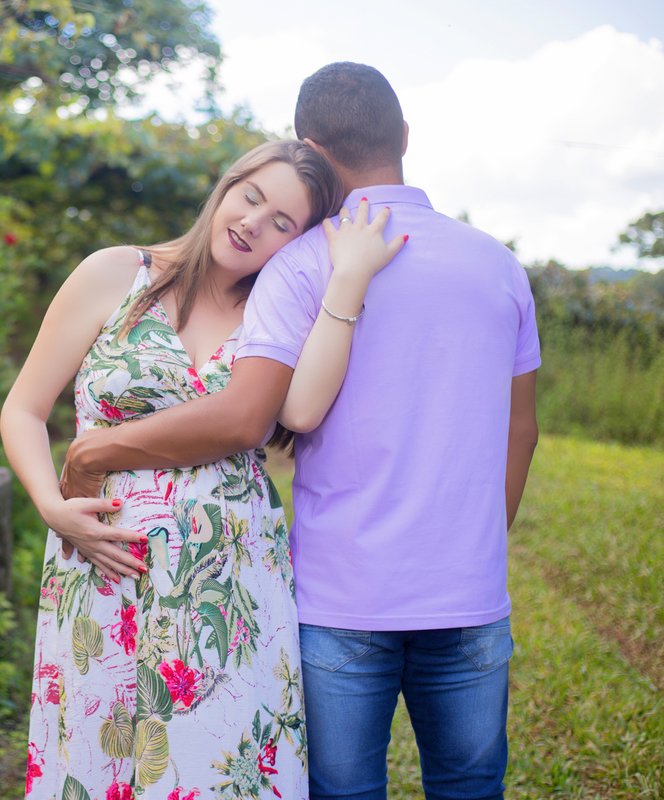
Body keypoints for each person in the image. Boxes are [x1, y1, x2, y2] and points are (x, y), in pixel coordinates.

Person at [59, 63, 541, 800]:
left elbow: (278, 413)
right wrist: (477, 545)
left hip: (339, 596)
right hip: (468, 590)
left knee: (342, 791)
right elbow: (522, 430)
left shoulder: (299, 263)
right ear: (404, 136)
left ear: (308, 149)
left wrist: (96, 446)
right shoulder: (499, 265)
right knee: (471, 784)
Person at [2, 138, 406, 800]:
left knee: (219, 769)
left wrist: (346, 281)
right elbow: (24, 409)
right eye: (251, 197)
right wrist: (52, 505)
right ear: (226, 186)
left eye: (282, 222)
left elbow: (300, 412)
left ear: (298, 242)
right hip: (107, 562)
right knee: (102, 756)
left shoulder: (278, 311)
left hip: (231, 582)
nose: (253, 223)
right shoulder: (115, 274)